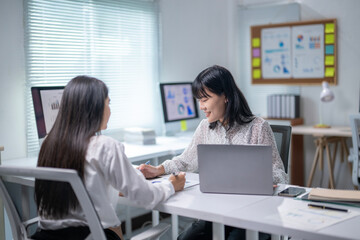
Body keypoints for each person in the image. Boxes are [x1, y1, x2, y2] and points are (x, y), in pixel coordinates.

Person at [139, 65, 288, 240]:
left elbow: (280, 174)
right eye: (199, 100)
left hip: (254, 213)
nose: (201, 106)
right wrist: (159, 169)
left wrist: (263, 179)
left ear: (225, 96)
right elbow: (186, 161)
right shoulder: (205, 127)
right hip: (217, 210)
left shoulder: (258, 127)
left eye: (205, 99)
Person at [32, 76, 186, 240]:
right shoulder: (104, 145)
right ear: (95, 108)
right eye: (108, 103)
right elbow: (145, 196)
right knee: (112, 223)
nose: (110, 110)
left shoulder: (49, 144)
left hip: (45, 237)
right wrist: (170, 185)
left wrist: (113, 186)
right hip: (90, 237)